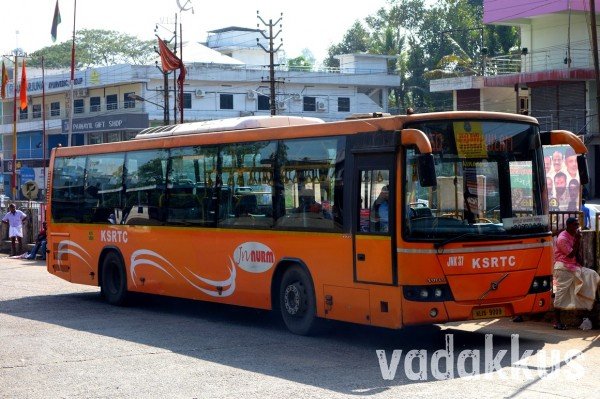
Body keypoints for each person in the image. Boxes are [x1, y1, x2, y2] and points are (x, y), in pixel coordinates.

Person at [553, 217, 600, 330]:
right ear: (568, 226)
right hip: (563, 268)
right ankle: (557, 322)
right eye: (575, 225)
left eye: (577, 224)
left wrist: (581, 264)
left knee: (592, 275)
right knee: (560, 294)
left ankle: (587, 312)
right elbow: (570, 255)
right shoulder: (562, 238)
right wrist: (578, 240)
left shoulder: (573, 235)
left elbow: (576, 254)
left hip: (573, 267)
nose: (577, 227)